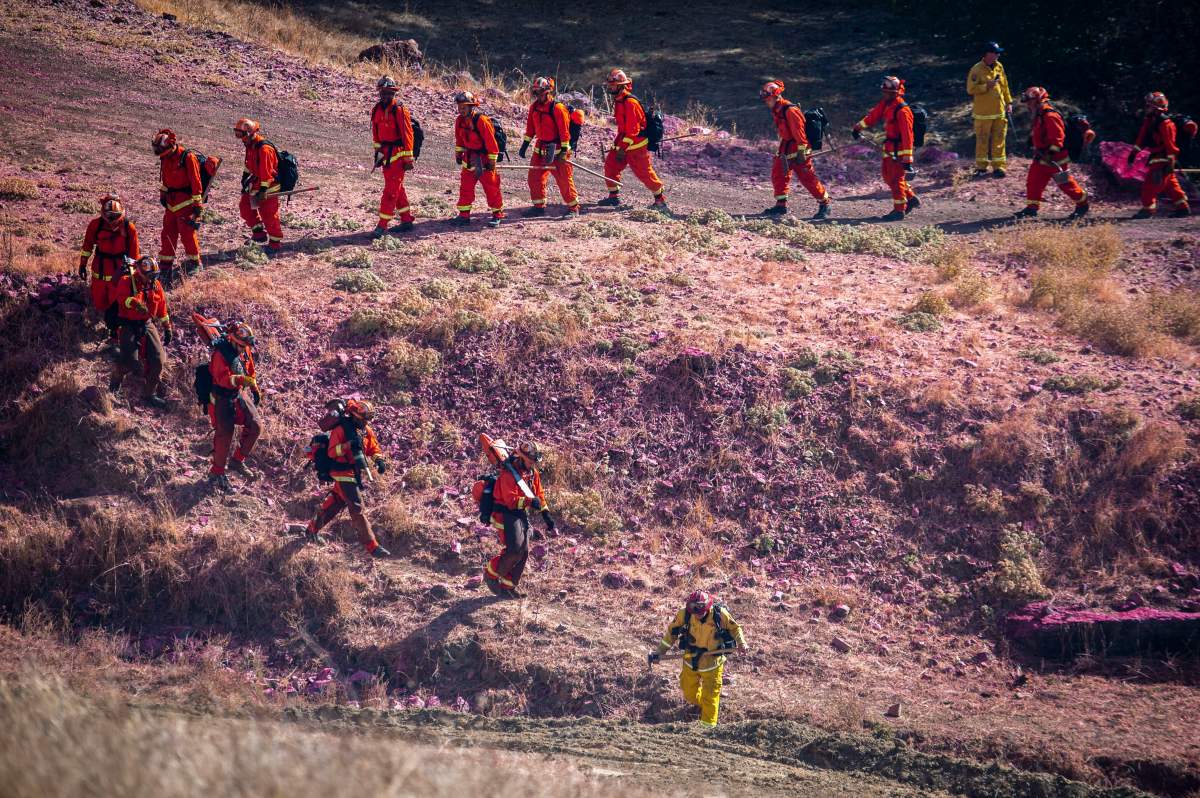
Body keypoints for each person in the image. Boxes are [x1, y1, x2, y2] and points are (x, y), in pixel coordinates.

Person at [303, 399, 391, 558]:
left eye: (367, 420)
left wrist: (379, 460)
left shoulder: (365, 431)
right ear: (355, 415)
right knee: (357, 508)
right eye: (363, 419)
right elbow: (331, 452)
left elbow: (373, 448)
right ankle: (372, 547)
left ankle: (311, 530)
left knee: (335, 503)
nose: (365, 422)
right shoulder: (341, 429)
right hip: (341, 470)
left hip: (353, 473)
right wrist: (347, 445)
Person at [648, 591, 748, 729]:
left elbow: (735, 628)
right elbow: (671, 634)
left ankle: (708, 730)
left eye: (700, 612)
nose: (697, 615)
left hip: (713, 664)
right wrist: (659, 653)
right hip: (691, 661)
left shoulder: (720, 614)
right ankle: (704, 706)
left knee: (711, 697)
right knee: (689, 694)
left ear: (707, 607)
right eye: (694, 612)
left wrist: (742, 643)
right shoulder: (685, 614)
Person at [484, 442, 554, 597]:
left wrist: (546, 514)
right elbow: (510, 500)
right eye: (530, 461)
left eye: (534, 462)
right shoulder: (508, 474)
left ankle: (509, 586)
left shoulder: (532, 473)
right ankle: (491, 574)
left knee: (524, 551)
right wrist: (529, 502)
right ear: (521, 458)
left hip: (519, 513)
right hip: (505, 513)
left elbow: (539, 494)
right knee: (515, 549)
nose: (532, 464)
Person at [1013, 86, 1089, 219]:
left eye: (1029, 102)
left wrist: (1049, 155)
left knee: (1065, 183)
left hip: (1055, 158)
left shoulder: (1050, 115)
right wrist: (1033, 140)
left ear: (1036, 100)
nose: (1027, 105)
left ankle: (1082, 204)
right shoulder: (1039, 113)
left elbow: (1058, 139)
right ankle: (1032, 209)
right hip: (1041, 156)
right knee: (1033, 181)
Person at [759, 80, 831, 219]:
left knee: (807, 177)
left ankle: (825, 204)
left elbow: (800, 134)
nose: (767, 102)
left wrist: (802, 152)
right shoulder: (777, 109)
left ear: (776, 96)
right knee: (779, 172)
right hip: (786, 147)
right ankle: (781, 206)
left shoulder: (790, 110)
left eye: (768, 99)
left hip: (799, 147)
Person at [598, 68, 668, 211]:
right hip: (623, 141)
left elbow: (633, 131)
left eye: (613, 85)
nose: (610, 87)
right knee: (611, 166)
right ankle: (613, 197)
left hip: (636, 145)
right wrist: (619, 147)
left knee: (644, 173)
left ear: (621, 85)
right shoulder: (618, 100)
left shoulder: (630, 103)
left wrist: (622, 149)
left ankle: (660, 200)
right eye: (609, 85)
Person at [852, 76, 920, 221]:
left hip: (900, 150)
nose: (885, 95)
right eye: (884, 92)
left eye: (888, 93)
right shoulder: (887, 104)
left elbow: (908, 135)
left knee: (896, 179)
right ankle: (911, 198)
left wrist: (907, 158)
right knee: (888, 177)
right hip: (889, 147)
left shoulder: (903, 111)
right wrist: (858, 127)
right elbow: (874, 115)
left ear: (895, 92)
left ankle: (899, 210)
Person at [206, 320, 262, 493]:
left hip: (238, 393)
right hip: (221, 396)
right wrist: (240, 380)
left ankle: (237, 461)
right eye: (241, 345)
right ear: (231, 340)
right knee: (225, 435)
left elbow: (249, 369)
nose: (244, 349)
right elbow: (223, 379)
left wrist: (254, 386)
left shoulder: (244, 349)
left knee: (255, 425)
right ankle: (217, 473)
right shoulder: (220, 354)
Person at [109, 256, 172, 408]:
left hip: (147, 323)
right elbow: (122, 298)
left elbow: (162, 307)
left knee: (158, 361)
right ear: (140, 272)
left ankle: (149, 394)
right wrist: (134, 303)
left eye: (154, 276)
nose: (152, 279)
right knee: (130, 362)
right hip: (129, 325)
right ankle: (115, 380)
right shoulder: (126, 281)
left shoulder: (155, 285)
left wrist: (167, 326)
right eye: (150, 276)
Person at [78, 194, 139, 349]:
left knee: (117, 306)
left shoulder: (129, 227)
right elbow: (87, 247)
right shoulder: (95, 225)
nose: (112, 220)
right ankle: (106, 324)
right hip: (99, 271)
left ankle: (115, 334)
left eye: (115, 216)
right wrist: (82, 264)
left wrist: (133, 278)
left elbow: (134, 255)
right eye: (109, 216)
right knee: (100, 303)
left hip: (118, 274)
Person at [519, 77, 581, 218]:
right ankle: (538, 207)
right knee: (534, 178)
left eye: (540, 92)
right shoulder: (534, 107)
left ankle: (573, 208)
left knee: (564, 180)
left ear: (548, 92)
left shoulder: (558, 108)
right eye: (535, 92)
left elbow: (565, 133)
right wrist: (524, 146)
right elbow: (530, 129)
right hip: (540, 148)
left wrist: (564, 152)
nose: (538, 95)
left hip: (558, 149)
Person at [1128, 92, 1191, 219]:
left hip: (1163, 158)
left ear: (1157, 107)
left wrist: (1170, 162)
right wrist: (1133, 153)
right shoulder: (1150, 120)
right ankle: (1182, 207)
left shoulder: (1165, 123)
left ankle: (1148, 210)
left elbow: (1170, 145)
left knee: (1150, 185)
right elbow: (1142, 138)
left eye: (1149, 106)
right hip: (1156, 156)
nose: (1146, 108)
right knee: (1171, 185)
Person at [153, 128, 204, 279]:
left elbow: (196, 182)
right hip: (171, 202)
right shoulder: (165, 157)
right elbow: (166, 178)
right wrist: (163, 192)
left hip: (186, 202)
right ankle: (166, 264)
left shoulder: (187, 157)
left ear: (171, 146)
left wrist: (198, 205)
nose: (162, 156)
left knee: (187, 233)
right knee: (167, 233)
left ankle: (195, 262)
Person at [371, 76, 416, 236]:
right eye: (383, 92)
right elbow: (376, 133)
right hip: (386, 156)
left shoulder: (399, 109)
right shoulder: (376, 109)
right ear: (380, 92)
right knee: (397, 187)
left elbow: (407, 134)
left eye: (390, 93)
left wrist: (408, 158)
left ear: (394, 93)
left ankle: (382, 225)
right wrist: (378, 153)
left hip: (398, 155)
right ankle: (406, 220)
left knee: (390, 191)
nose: (386, 95)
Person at [451, 91, 505, 228]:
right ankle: (464, 216)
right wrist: (458, 154)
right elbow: (459, 140)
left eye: (463, 107)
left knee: (491, 188)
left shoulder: (481, 120)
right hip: (469, 159)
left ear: (471, 107)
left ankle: (497, 215)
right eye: (459, 107)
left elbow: (491, 143)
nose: (461, 110)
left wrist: (492, 161)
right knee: (465, 188)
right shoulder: (459, 121)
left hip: (484, 161)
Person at [235, 118, 284, 255]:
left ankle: (275, 244)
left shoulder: (264, 149)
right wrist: (244, 179)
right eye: (238, 134)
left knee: (269, 215)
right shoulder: (250, 145)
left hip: (268, 187)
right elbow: (248, 164)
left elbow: (266, 173)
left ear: (250, 133)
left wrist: (263, 190)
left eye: (241, 135)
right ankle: (259, 233)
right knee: (245, 208)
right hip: (255, 183)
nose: (240, 139)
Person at [966, 42, 1013, 178]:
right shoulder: (976, 69)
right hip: (983, 114)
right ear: (987, 54)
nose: (998, 55)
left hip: (999, 111)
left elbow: (1005, 86)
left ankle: (999, 167)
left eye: (998, 52)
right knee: (982, 140)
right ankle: (981, 168)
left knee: (999, 139)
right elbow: (970, 89)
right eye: (995, 52)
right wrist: (986, 86)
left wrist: (1009, 102)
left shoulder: (999, 66)